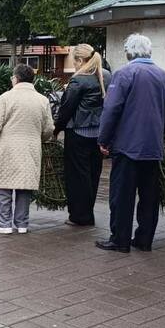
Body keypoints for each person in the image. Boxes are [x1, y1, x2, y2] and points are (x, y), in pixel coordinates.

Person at [96, 34, 165, 253]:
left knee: (122, 195)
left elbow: (111, 108)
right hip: (153, 146)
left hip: (127, 145)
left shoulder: (124, 74)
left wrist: (104, 139)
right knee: (149, 196)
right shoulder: (164, 75)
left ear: (128, 52)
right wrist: (163, 128)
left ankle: (120, 239)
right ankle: (144, 240)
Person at [0, 64, 54, 234]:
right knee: (24, 185)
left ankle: (3, 224)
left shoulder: (6, 98)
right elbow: (48, 129)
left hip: (6, 147)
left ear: (16, 78)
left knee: (4, 185)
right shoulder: (42, 100)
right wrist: (39, 139)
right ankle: (22, 224)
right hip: (31, 148)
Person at [53, 44, 111, 226]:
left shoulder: (78, 80)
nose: (74, 65)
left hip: (78, 133)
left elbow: (67, 108)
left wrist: (56, 128)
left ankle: (79, 216)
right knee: (93, 175)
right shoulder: (106, 76)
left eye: (74, 61)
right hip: (99, 134)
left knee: (77, 176)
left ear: (80, 60)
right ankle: (88, 213)